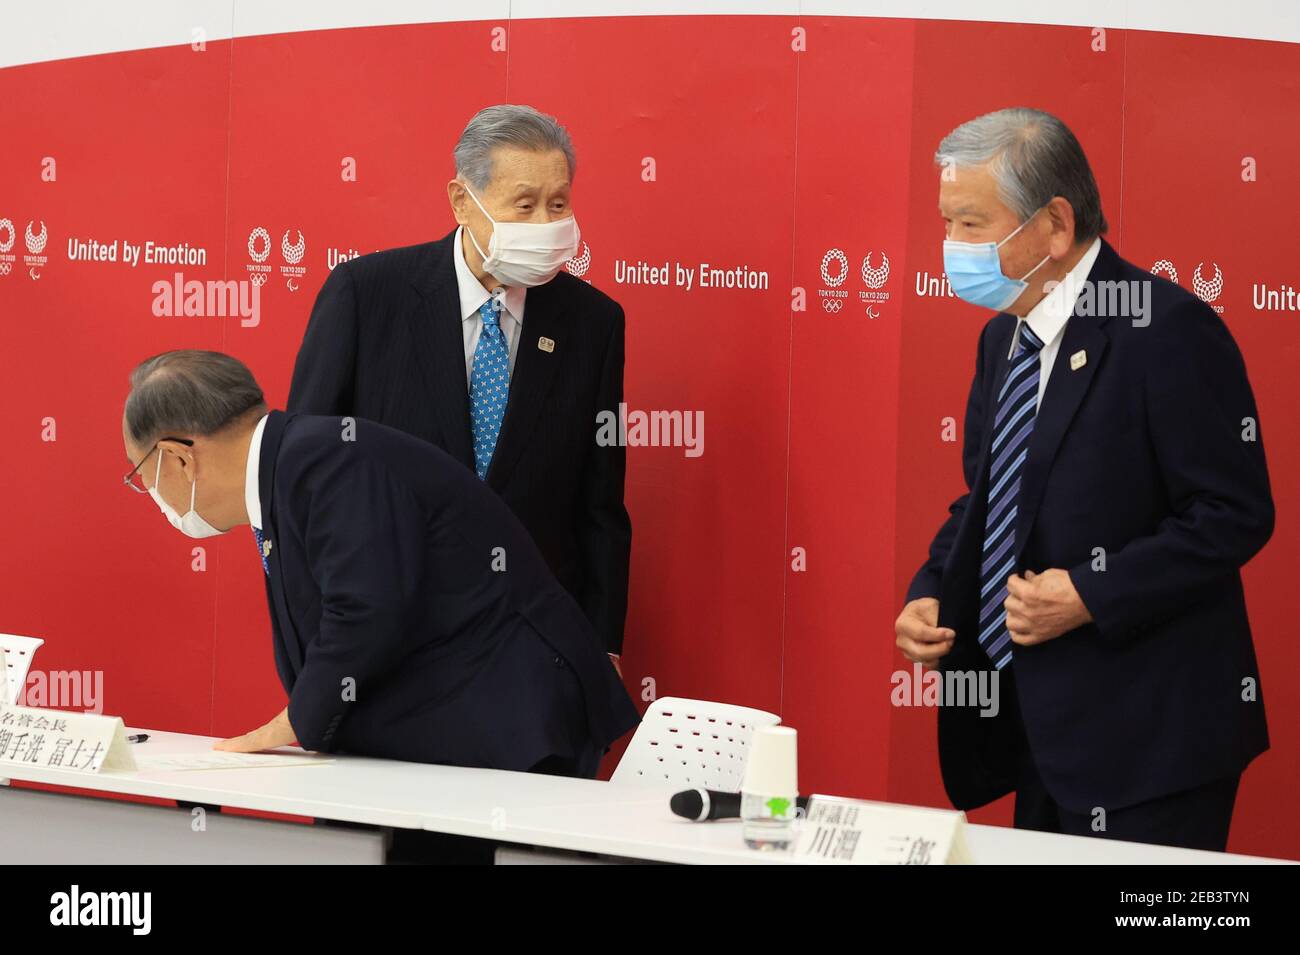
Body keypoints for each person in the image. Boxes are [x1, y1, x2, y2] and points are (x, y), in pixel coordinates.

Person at [894, 107, 1272, 851]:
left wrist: (1092, 594)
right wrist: (931, 588)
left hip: (1152, 746)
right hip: (1041, 734)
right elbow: (989, 498)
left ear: (1056, 225)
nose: (951, 248)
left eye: (971, 225)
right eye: (945, 224)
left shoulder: (1164, 329)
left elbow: (1233, 513)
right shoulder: (1003, 334)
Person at [121, 350, 639, 778]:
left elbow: (367, 606)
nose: (153, 495)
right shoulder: (291, 465)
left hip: (514, 722)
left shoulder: (320, 462)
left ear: (179, 457)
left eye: (143, 476)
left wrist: (296, 723)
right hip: (472, 727)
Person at [288, 104, 631, 675]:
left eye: (559, 203)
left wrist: (600, 649)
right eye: (525, 205)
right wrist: (321, 641)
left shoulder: (593, 323)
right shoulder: (367, 296)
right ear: (461, 201)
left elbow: (599, 506)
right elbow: (303, 480)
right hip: (383, 642)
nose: (546, 222)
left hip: (530, 648)